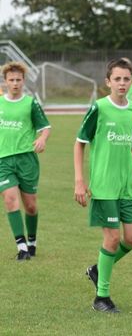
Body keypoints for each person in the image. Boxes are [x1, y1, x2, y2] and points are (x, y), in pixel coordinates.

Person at [74, 58, 132, 313]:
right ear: (108, 82)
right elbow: (79, 142)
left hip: (127, 185)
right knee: (113, 238)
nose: (122, 83)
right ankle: (101, 298)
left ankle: (97, 269)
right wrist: (80, 181)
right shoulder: (99, 108)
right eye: (117, 79)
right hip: (104, 185)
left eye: (126, 79)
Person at [0, 62, 51, 260]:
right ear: (5, 82)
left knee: (30, 205)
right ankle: (21, 247)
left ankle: (32, 241)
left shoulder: (31, 103)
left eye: (18, 80)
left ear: (23, 81)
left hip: (27, 159)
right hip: (3, 160)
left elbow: (45, 127)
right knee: (10, 200)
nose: (15, 83)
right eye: (11, 80)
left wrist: (42, 139)